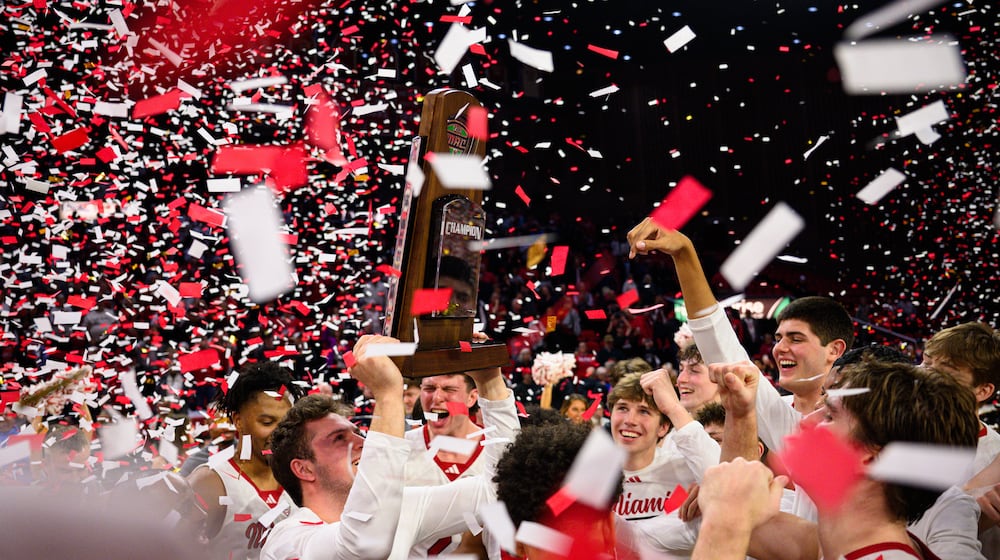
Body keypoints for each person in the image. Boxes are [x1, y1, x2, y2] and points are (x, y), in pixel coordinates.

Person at [260, 336, 518, 560]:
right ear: (304, 468)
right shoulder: (288, 540)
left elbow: (497, 489)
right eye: (339, 439)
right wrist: (387, 394)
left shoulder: (402, 507)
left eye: (359, 433)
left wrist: (490, 382)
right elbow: (363, 543)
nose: (363, 443)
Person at [704, 358, 979, 560]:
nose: (806, 421)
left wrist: (722, 525)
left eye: (829, 416)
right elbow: (748, 526)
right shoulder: (842, 542)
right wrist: (739, 416)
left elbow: (732, 523)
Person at [187, 361, 307, 559]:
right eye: (267, 422)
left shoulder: (302, 476)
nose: (280, 432)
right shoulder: (210, 483)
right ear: (238, 421)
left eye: (286, 422)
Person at [607, 370, 719, 521]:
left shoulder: (685, 471)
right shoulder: (587, 473)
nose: (630, 420)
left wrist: (674, 408)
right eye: (622, 408)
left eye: (644, 411)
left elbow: (724, 483)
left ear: (663, 428)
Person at [676, 343, 721, 416]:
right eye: (681, 370)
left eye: (694, 371)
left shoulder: (738, 425)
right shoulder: (679, 426)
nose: (680, 379)